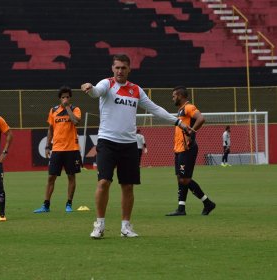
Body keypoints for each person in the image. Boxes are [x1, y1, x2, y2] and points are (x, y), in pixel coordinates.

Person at [81, 54, 191, 239]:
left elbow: (155, 109)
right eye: (117, 67)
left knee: (128, 186)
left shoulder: (136, 90)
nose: (120, 71)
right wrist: (89, 88)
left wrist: (179, 123)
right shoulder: (106, 84)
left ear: (129, 69)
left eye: (123, 68)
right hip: (107, 141)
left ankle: (126, 226)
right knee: (104, 182)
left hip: (129, 144)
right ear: (112, 68)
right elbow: (96, 92)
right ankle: (99, 224)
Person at [166, 86, 216, 217]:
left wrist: (191, 132)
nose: (172, 98)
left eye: (174, 96)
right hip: (179, 148)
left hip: (187, 148)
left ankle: (207, 203)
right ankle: (181, 208)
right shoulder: (181, 110)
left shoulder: (189, 107)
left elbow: (201, 118)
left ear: (180, 96)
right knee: (180, 178)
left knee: (185, 179)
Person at [33, 86, 82, 213]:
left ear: (70, 98)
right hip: (57, 149)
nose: (65, 99)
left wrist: (67, 108)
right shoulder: (53, 110)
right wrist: (47, 146)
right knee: (51, 177)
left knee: (71, 176)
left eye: (67, 97)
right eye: (63, 97)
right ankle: (46, 205)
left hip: (72, 148)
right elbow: (50, 129)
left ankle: (69, 204)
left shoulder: (75, 109)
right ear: (60, 98)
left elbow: (76, 122)